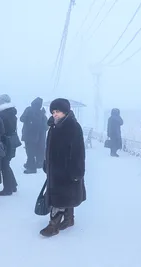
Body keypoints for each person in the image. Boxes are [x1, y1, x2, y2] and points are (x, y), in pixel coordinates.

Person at [40, 98, 86, 237]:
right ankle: (69, 219)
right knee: (67, 195)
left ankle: (53, 225)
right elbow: (49, 149)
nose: (55, 114)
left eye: (58, 111)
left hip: (67, 169)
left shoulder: (73, 127)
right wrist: (46, 162)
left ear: (65, 112)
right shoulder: (54, 127)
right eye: (53, 111)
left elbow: (78, 151)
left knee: (59, 198)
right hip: (55, 169)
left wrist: (77, 171)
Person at [0, 94, 18, 196]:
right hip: (11, 142)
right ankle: (12, 185)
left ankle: (8, 189)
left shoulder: (3, 115)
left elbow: (1, 130)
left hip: (5, 142)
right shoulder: (11, 113)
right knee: (6, 164)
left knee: (4, 165)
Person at [20, 97, 48, 174]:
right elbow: (46, 127)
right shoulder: (42, 113)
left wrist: (29, 120)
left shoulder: (29, 110)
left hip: (28, 135)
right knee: (33, 151)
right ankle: (33, 163)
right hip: (37, 137)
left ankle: (31, 168)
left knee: (29, 152)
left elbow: (22, 119)